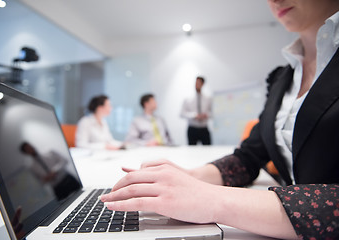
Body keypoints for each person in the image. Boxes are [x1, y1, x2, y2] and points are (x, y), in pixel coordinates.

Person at [100, 1, 339, 239]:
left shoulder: (210, 96)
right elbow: (249, 156)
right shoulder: (282, 79)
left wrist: (211, 198)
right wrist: (190, 177)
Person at [180, 76, 212, 145]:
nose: (197, 85)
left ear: (203, 84)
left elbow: (212, 112)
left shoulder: (208, 98)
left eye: (199, 83)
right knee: (191, 150)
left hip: (204, 128)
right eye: (196, 83)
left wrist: (206, 115)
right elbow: (182, 113)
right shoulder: (188, 98)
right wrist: (194, 115)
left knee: (208, 149)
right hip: (192, 129)